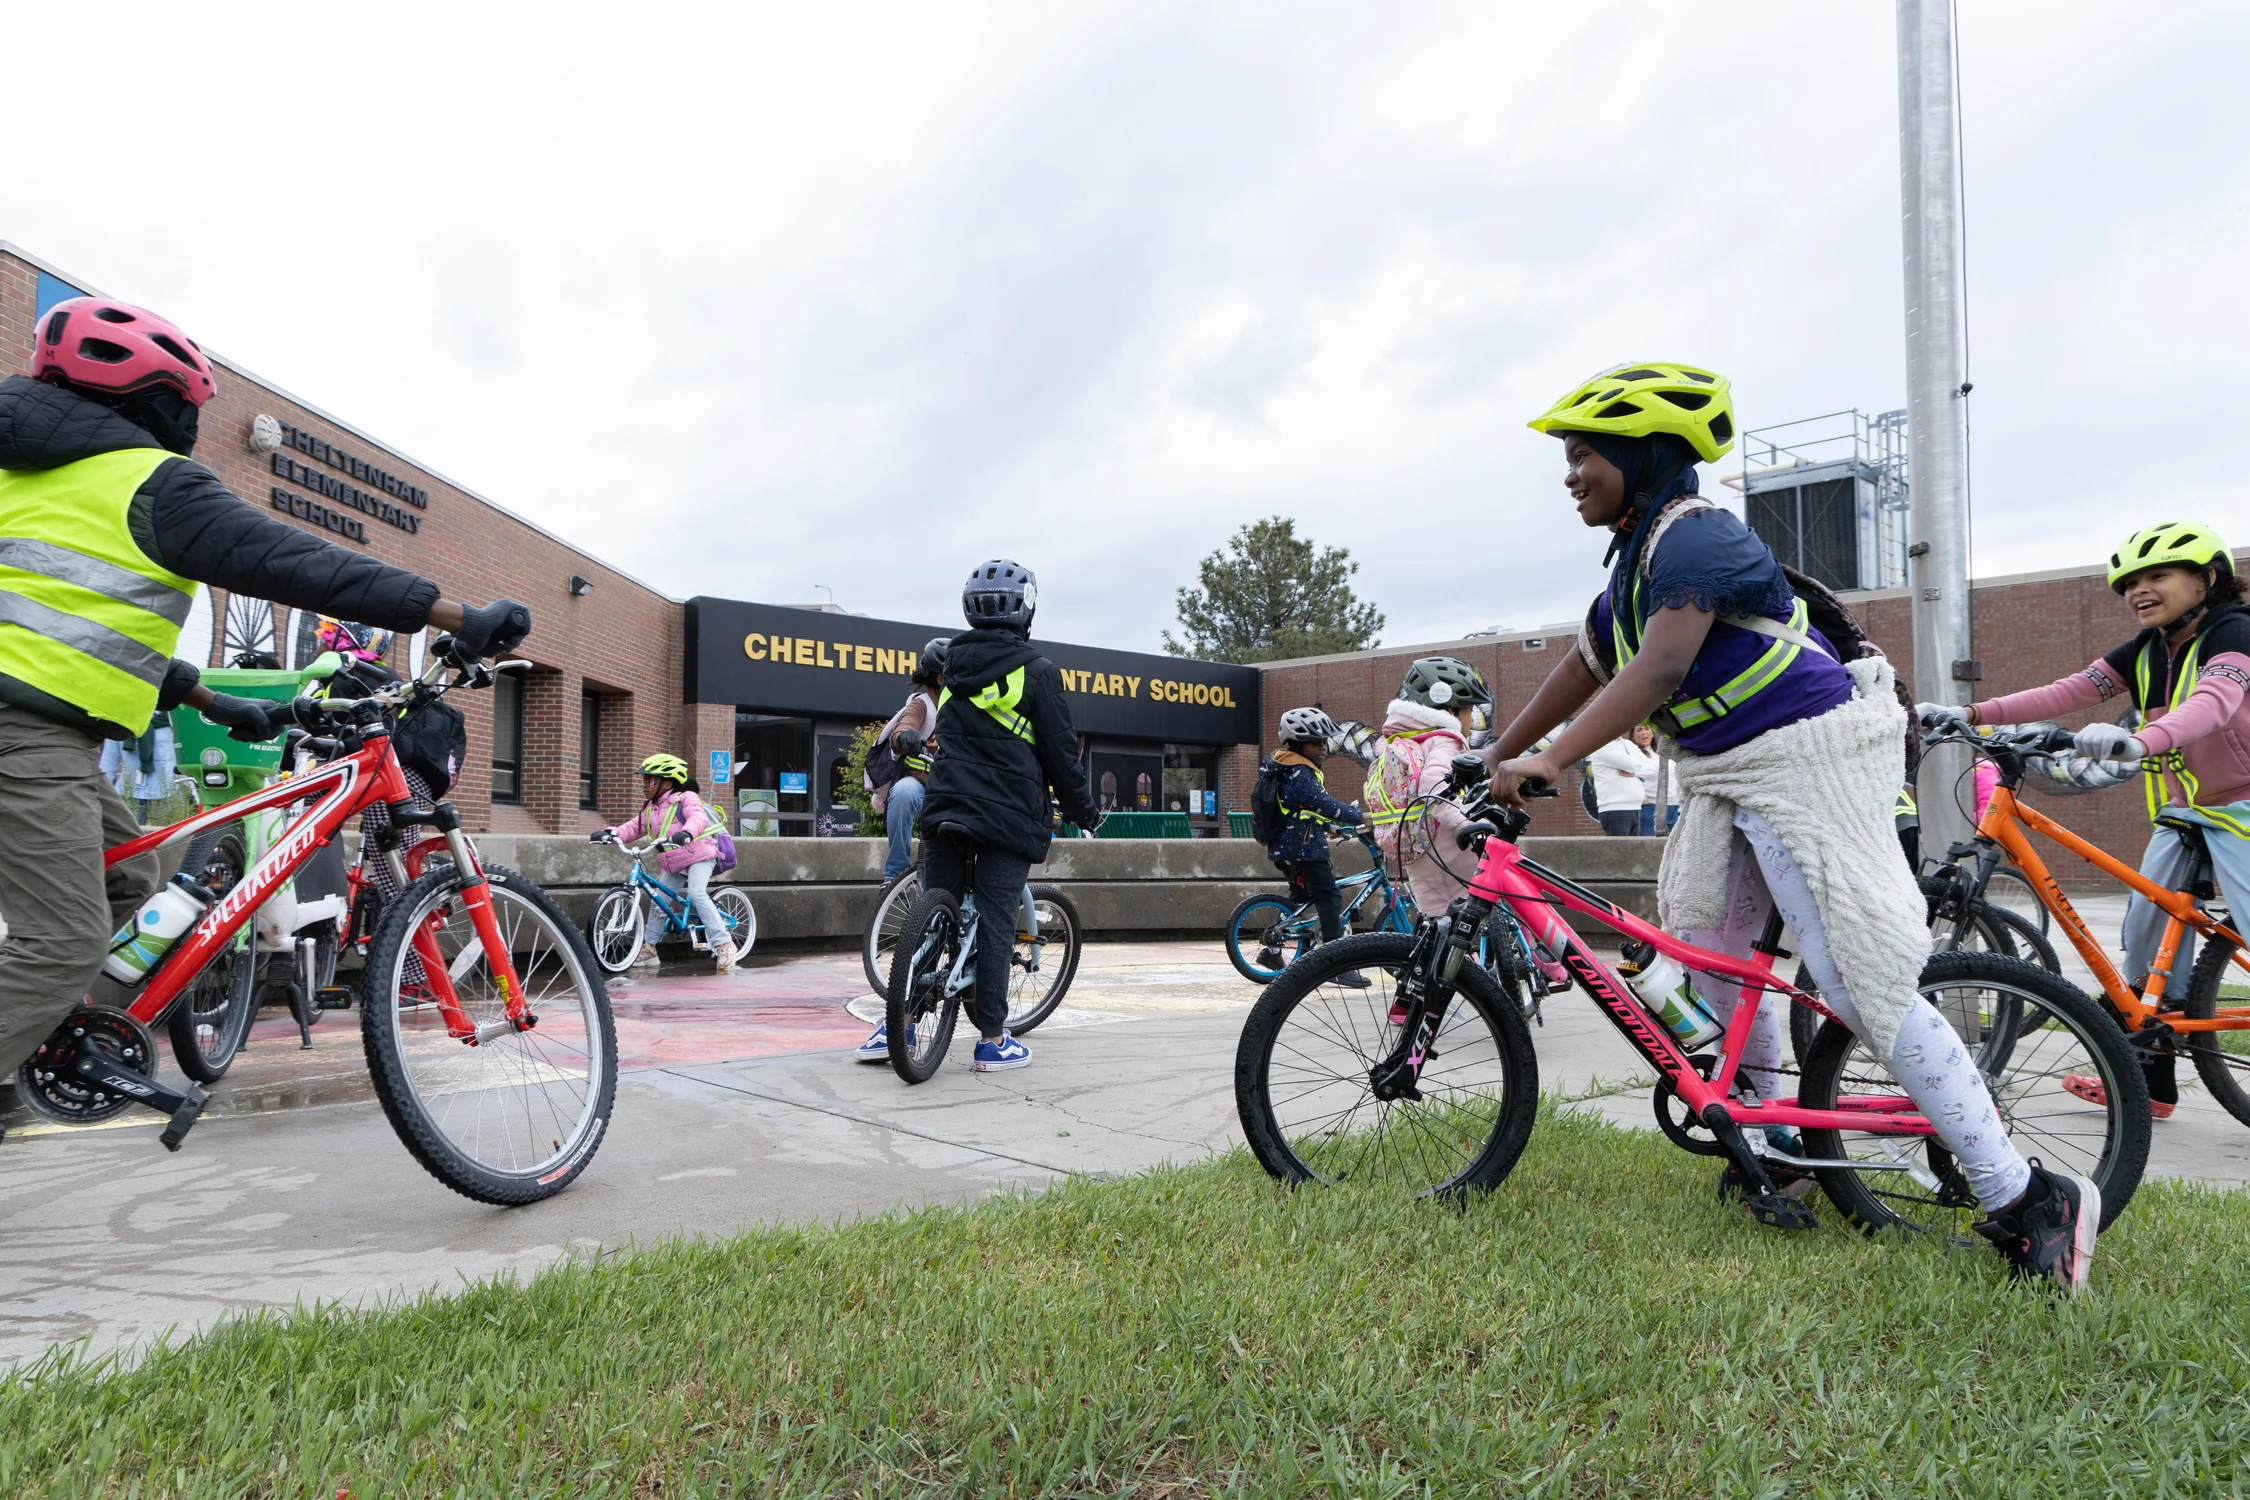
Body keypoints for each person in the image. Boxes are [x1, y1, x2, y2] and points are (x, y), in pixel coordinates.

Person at [1485, 360, 2098, 1292]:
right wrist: (1497, 753)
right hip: (1729, 776)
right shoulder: (1631, 569)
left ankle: (2027, 1197)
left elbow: (1654, 672)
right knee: (1711, 966)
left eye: (1585, 456)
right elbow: (1583, 667)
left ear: (1645, 454)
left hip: (1805, 762)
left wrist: (1556, 761)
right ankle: (1770, 1146)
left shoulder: (1696, 538)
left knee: (1859, 985)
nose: (1570, 475)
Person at [0, 297, 527, 1096]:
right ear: (159, 401)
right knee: (63, 940)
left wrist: (212, 702)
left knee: (130, 888)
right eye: (189, 407)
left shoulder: (24, 479)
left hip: (38, 727)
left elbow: (58, 624)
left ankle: (54, 1052)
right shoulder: (149, 481)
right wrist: (457, 614)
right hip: (22, 733)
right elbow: (296, 561)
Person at [1925, 522, 2248, 1125]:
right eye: (2129, 583)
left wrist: (2141, 739)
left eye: (2158, 576)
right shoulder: (2146, 650)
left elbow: (2215, 703)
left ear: (2207, 580)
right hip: (2184, 816)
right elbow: (2066, 692)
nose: (2140, 591)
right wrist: (1968, 712)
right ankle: (2152, 1082)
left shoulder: (2234, 632)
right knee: (2145, 947)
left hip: (2244, 809)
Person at [872, 560, 1101, 1071]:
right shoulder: (1038, 672)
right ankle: (993, 1041)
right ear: (1027, 609)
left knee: (934, 913)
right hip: (1008, 814)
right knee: (998, 921)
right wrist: (1086, 811)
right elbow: (1061, 755)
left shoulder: (951, 667)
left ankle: (898, 1023)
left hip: (947, 804)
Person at [1364, 657, 1488, 918]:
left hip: (1415, 849)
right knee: (1505, 906)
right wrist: (1466, 826)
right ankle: (1539, 957)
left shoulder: (1398, 742)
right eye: (1470, 711)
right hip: (1451, 850)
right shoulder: (1445, 741)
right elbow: (1433, 786)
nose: (1471, 720)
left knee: (1437, 926)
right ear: (1451, 711)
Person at [1259, 706, 1371, 988]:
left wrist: (1328, 827)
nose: (1323, 749)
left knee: (1301, 901)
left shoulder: (1286, 768)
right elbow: (1325, 804)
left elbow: (1299, 810)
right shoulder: (1298, 772)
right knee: (1330, 898)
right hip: (1304, 848)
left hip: (1292, 844)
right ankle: (1334, 965)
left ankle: (1273, 952)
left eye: (1324, 743)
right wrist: (1360, 816)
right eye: (1316, 743)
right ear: (1298, 744)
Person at [595, 755, 737, 975]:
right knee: (658, 900)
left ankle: (724, 944)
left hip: (700, 854)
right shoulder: (652, 808)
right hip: (675, 860)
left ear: (668, 782)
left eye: (650, 780)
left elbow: (697, 818)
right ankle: (649, 949)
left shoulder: (686, 798)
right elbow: (633, 828)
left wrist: (688, 832)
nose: (645, 785)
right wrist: (612, 834)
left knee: (697, 893)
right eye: (645, 780)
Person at [870, 639, 945, 883]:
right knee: (902, 793)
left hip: (953, 791)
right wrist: (904, 737)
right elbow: (900, 732)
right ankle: (895, 877)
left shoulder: (964, 707)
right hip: (922, 788)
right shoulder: (921, 705)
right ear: (941, 679)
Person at [1587, 731, 1655, 836]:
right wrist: (1636, 764)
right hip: (1616, 809)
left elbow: (1651, 768)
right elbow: (1631, 764)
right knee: (1619, 851)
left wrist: (1633, 773)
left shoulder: (1627, 744)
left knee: (1633, 851)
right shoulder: (1602, 747)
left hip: (1635, 807)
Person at [1631, 724, 1678, 834]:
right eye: (1639, 730)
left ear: (1652, 733)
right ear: (1633, 735)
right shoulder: (1634, 754)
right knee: (1650, 847)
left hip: (1674, 807)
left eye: (1647, 729)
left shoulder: (1661, 753)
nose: (1644, 732)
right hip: (1651, 807)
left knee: (1673, 848)